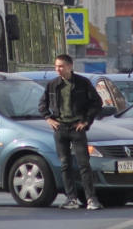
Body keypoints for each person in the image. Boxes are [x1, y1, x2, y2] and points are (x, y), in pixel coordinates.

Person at [38, 54, 104, 210]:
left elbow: (96, 103)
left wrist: (86, 120)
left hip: (77, 128)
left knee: (84, 164)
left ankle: (91, 199)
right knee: (65, 164)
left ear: (70, 66)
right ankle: (71, 199)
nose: (58, 69)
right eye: (56, 66)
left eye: (61, 66)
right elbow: (42, 104)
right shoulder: (53, 85)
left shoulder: (82, 83)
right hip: (60, 129)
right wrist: (48, 118)